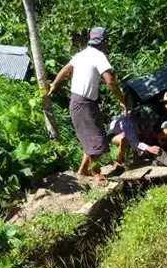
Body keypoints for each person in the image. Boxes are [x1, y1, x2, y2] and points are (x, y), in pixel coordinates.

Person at [47, 26, 126, 181]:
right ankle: (95, 173)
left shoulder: (81, 55)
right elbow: (110, 81)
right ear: (103, 42)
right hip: (83, 103)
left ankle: (82, 171)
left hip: (82, 102)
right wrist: (122, 100)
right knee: (95, 140)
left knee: (91, 138)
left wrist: (54, 85)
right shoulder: (99, 56)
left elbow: (65, 69)